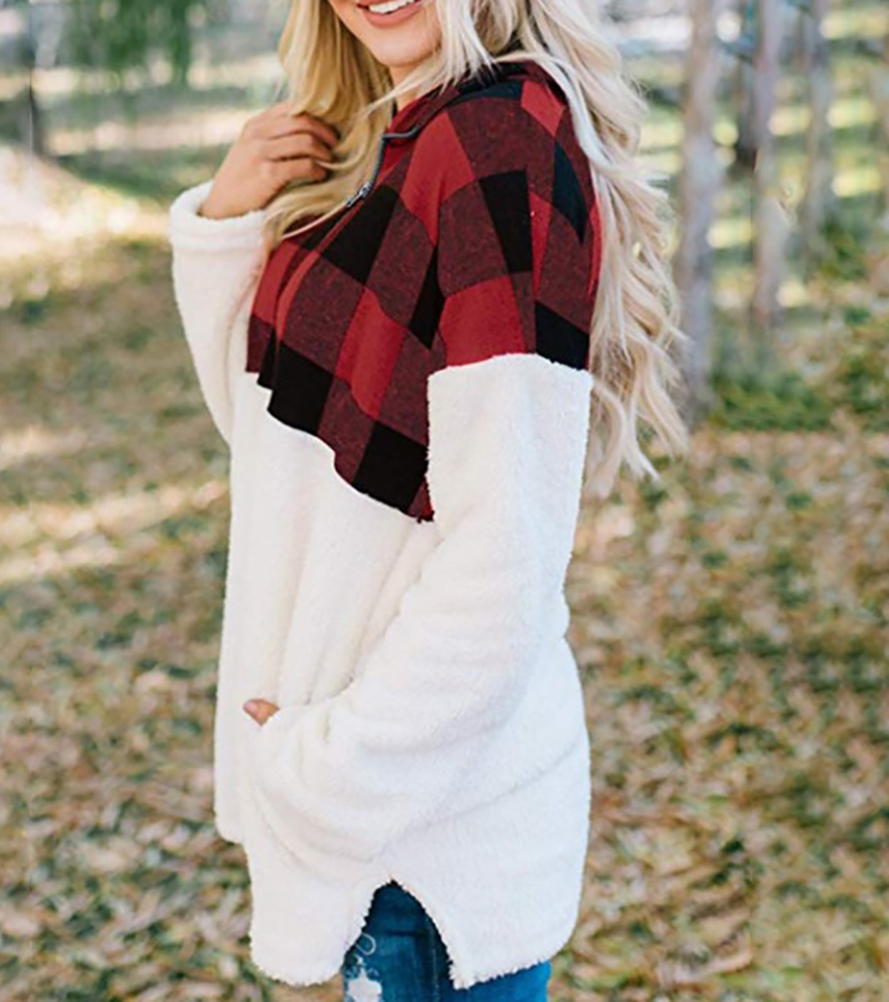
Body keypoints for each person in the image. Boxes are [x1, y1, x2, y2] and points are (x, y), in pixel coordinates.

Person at [168, 0, 690, 997]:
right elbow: (279, 456)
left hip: (425, 838)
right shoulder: (399, 134)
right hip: (391, 822)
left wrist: (330, 770)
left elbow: (504, 564)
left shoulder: (495, 141)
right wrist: (227, 223)